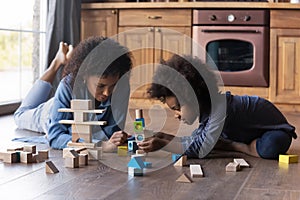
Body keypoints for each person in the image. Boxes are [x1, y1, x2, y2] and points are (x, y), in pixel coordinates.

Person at [137, 54, 297, 160]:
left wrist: (164, 145)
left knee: (272, 146)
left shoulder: (220, 108)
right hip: (247, 131)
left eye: (178, 107)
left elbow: (199, 148)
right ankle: (240, 144)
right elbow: (195, 140)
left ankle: (237, 146)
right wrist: (165, 136)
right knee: (208, 138)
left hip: (275, 131)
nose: (176, 114)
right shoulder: (208, 111)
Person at [14, 36, 133, 150]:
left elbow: (112, 132)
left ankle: (64, 59)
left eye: (113, 86)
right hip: (48, 113)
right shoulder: (67, 84)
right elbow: (55, 136)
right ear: (85, 76)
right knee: (19, 115)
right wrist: (100, 145)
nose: (107, 93)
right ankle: (56, 63)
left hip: (74, 110)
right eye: (100, 86)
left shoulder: (122, 85)